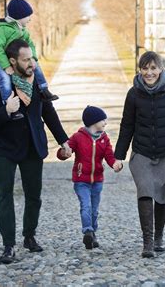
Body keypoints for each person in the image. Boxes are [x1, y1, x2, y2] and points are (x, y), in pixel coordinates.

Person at [0, 39, 72, 264]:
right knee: (5, 195)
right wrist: (5, 110)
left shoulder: (37, 81)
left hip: (33, 146)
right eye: (25, 59)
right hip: (5, 149)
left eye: (31, 58)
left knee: (34, 196)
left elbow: (48, 112)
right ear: (12, 61)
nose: (31, 63)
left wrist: (63, 141)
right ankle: (8, 246)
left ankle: (29, 236)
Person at [114, 51, 165, 258]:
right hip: (142, 153)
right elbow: (127, 125)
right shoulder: (133, 94)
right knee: (146, 191)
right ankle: (147, 242)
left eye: (153, 68)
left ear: (160, 69)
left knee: (162, 196)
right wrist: (118, 155)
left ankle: (159, 236)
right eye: (145, 68)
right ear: (140, 70)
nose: (149, 73)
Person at [57, 105, 123, 249]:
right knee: (85, 206)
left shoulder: (104, 139)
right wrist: (63, 153)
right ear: (93, 121)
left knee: (94, 209)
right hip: (81, 180)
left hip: (97, 181)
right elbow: (66, 149)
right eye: (103, 120)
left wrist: (116, 165)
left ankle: (93, 234)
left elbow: (109, 156)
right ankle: (87, 231)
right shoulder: (78, 137)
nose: (105, 123)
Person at [0, 0, 58, 120]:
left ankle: (44, 90)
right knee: (4, 79)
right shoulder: (1, 29)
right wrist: (6, 66)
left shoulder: (21, 30)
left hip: (14, 59)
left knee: (36, 66)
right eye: (27, 16)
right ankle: (9, 105)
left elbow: (30, 44)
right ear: (19, 16)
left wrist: (33, 58)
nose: (29, 19)